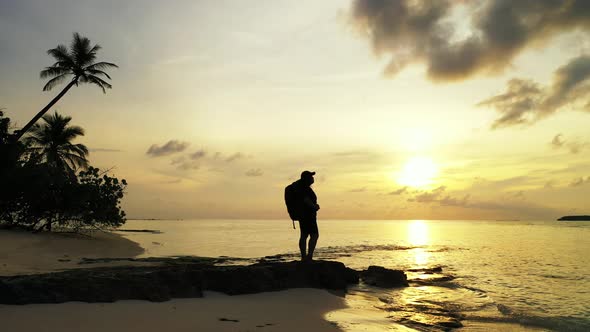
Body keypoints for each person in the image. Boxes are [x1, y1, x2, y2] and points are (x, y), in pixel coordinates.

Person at [290, 170, 320, 261]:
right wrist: (314, 207)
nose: (313, 178)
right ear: (306, 178)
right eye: (311, 176)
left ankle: (304, 257)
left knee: (304, 235)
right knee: (314, 235)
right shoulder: (304, 188)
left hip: (303, 215)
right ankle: (308, 257)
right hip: (308, 215)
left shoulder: (302, 187)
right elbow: (306, 200)